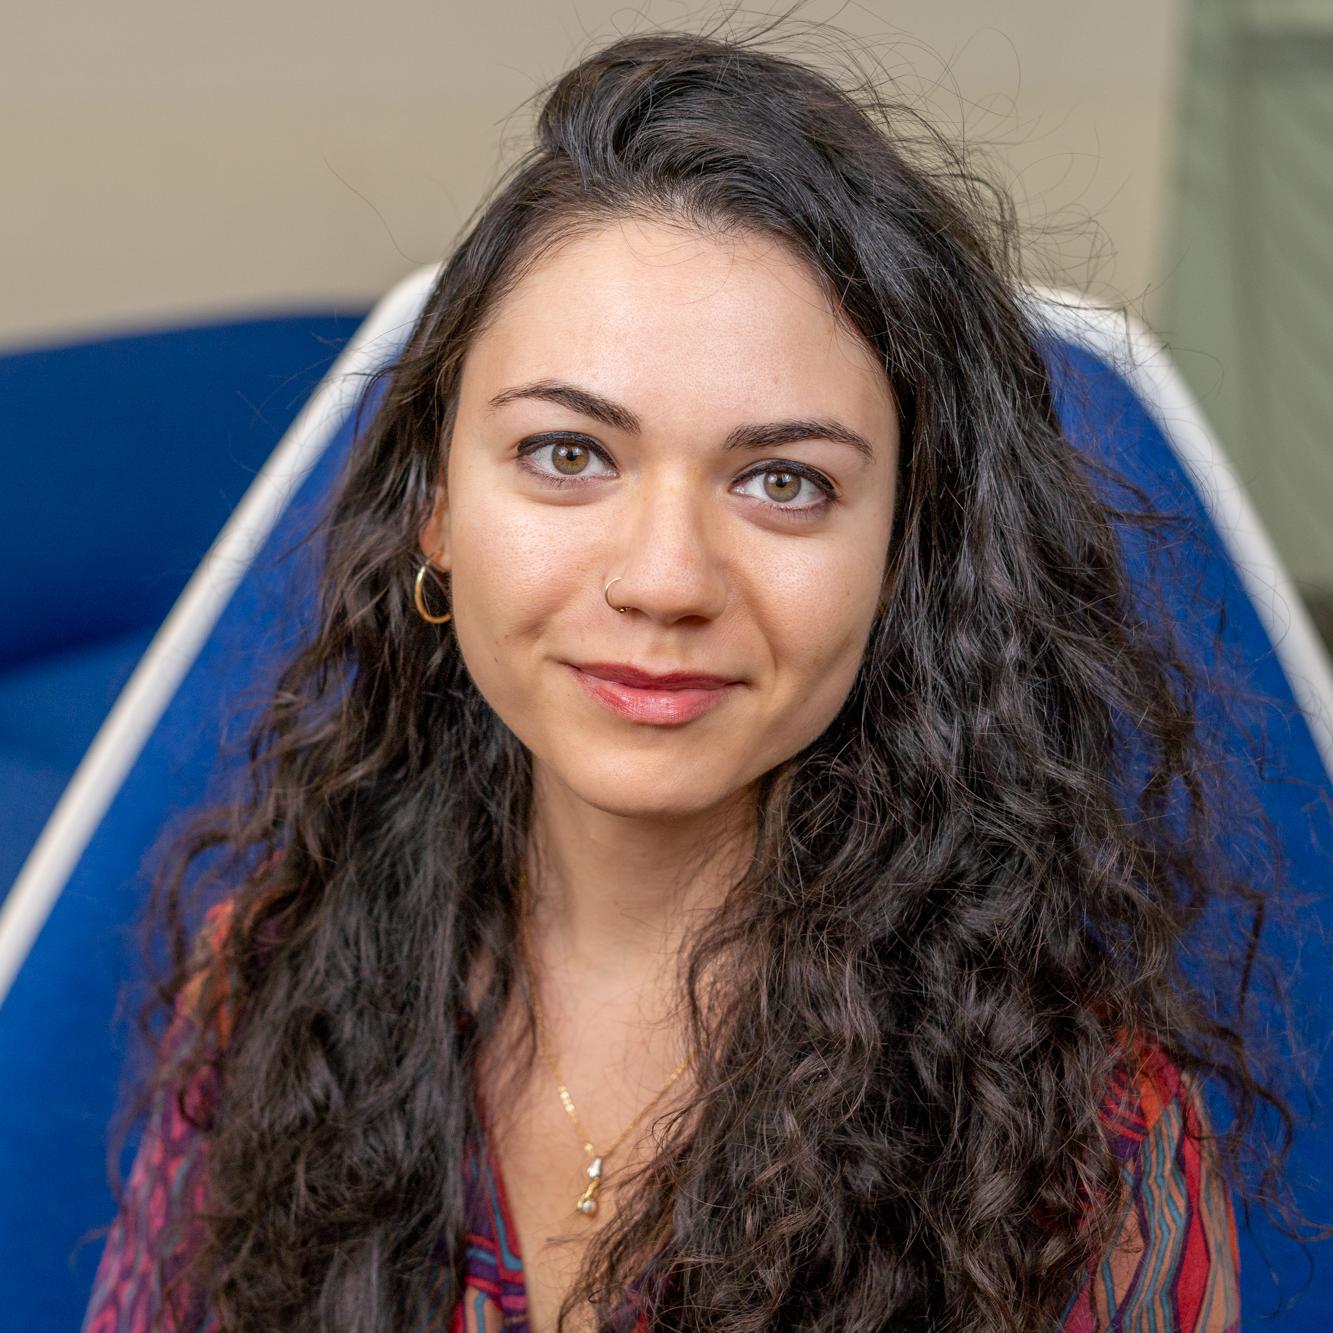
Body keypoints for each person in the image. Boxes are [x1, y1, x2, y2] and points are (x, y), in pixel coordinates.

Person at [81, 16, 1301, 1333]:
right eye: (566, 454)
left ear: (905, 555)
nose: (664, 576)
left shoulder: (1070, 1144)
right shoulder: (272, 979)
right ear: (434, 508)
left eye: (784, 481)